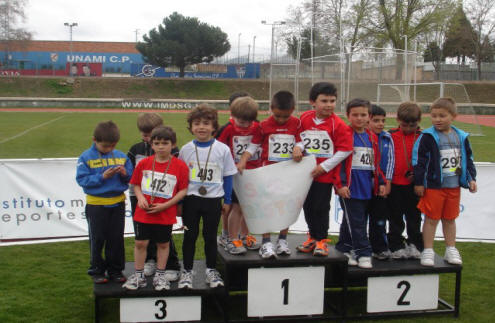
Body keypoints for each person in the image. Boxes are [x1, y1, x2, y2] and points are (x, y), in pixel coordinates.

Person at [237, 90, 303, 259]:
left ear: (293, 110)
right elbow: (253, 145)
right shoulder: (263, 125)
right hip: (268, 172)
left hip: (289, 172)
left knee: (286, 206)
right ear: (271, 108)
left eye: (285, 117)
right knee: (267, 205)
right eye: (278, 116)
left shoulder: (297, 123)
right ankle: (266, 242)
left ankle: (282, 240)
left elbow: (302, 141)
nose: (281, 120)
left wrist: (299, 148)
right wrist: (244, 158)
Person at [178, 104, 237, 288]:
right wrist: (180, 202)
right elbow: (180, 178)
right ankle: (187, 271)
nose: (201, 127)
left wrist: (227, 200)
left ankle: (211, 270)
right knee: (190, 236)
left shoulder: (223, 149)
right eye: (196, 123)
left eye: (206, 123)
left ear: (214, 127)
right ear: (191, 127)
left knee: (210, 236)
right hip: (191, 201)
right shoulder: (186, 149)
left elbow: (228, 176)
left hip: (213, 201)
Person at [412, 97, 477, 266]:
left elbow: (467, 159)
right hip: (434, 186)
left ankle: (450, 248)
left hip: (454, 186)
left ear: (453, 116)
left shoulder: (461, 136)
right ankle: (427, 250)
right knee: (431, 219)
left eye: (442, 116)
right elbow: (419, 161)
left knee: (450, 219)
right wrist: (419, 182)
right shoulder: (427, 136)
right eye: (434, 116)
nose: (437, 120)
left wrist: (471, 178)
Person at [123, 126, 189, 290]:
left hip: (165, 213)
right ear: (151, 145)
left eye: (165, 143)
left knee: (163, 244)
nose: (161, 146)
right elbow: (136, 184)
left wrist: (166, 205)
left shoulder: (180, 166)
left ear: (173, 144)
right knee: (140, 243)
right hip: (143, 213)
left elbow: (183, 190)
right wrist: (140, 198)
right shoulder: (144, 163)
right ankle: (138, 276)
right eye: (157, 143)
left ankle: (160, 275)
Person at [296, 82, 353, 256]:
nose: (329, 105)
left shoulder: (338, 124)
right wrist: (298, 147)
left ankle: (322, 240)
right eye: (324, 101)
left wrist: (324, 166)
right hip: (305, 173)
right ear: (313, 102)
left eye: (332, 101)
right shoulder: (304, 118)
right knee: (307, 206)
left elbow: (345, 149)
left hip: (324, 175)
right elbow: (300, 138)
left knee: (321, 207)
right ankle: (312, 236)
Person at [76, 120, 133, 284]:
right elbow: (82, 180)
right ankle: (97, 270)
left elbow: (131, 177)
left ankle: (115, 270)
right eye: (105, 146)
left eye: (112, 146)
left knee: (116, 238)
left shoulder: (121, 156)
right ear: (95, 140)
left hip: (117, 204)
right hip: (96, 205)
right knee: (98, 238)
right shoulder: (86, 157)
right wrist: (102, 177)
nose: (109, 149)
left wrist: (124, 173)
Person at [334, 99, 386, 269]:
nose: (359, 118)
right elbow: (338, 162)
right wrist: (340, 184)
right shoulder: (345, 134)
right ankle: (364, 252)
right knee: (357, 222)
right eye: (355, 115)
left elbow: (376, 163)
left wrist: (381, 182)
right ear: (347, 116)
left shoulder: (372, 137)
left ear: (369, 116)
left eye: (363, 115)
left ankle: (344, 247)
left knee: (352, 220)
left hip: (367, 187)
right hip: (350, 187)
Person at [216, 95, 261, 255]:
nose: (245, 125)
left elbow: (256, 144)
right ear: (233, 115)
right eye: (241, 122)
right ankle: (232, 237)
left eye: (248, 122)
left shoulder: (257, 127)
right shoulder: (227, 128)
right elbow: (218, 149)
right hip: (234, 175)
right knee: (236, 207)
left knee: (248, 207)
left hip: (252, 173)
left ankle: (246, 235)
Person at [388, 102, 424, 259]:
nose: (409, 128)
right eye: (405, 125)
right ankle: (395, 245)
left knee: (414, 217)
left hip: (414, 186)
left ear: (419, 121)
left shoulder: (423, 137)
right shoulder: (390, 136)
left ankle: (415, 244)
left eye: (413, 125)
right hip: (395, 184)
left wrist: (419, 178)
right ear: (397, 120)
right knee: (395, 217)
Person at [367, 104, 395, 260]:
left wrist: (388, 181)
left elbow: (391, 160)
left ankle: (379, 248)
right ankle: (359, 246)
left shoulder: (386, 137)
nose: (380, 124)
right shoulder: (360, 136)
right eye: (376, 120)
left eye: (383, 120)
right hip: (363, 184)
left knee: (379, 218)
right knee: (360, 217)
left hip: (382, 185)